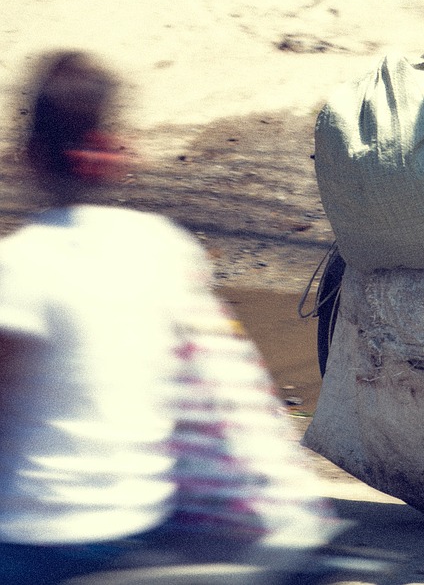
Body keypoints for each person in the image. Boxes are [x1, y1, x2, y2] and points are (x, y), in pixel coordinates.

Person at [0, 51, 349, 583]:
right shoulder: (164, 249)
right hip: (140, 519)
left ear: (27, 156)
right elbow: (226, 385)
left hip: (36, 541)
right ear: (114, 149)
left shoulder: (18, 266)